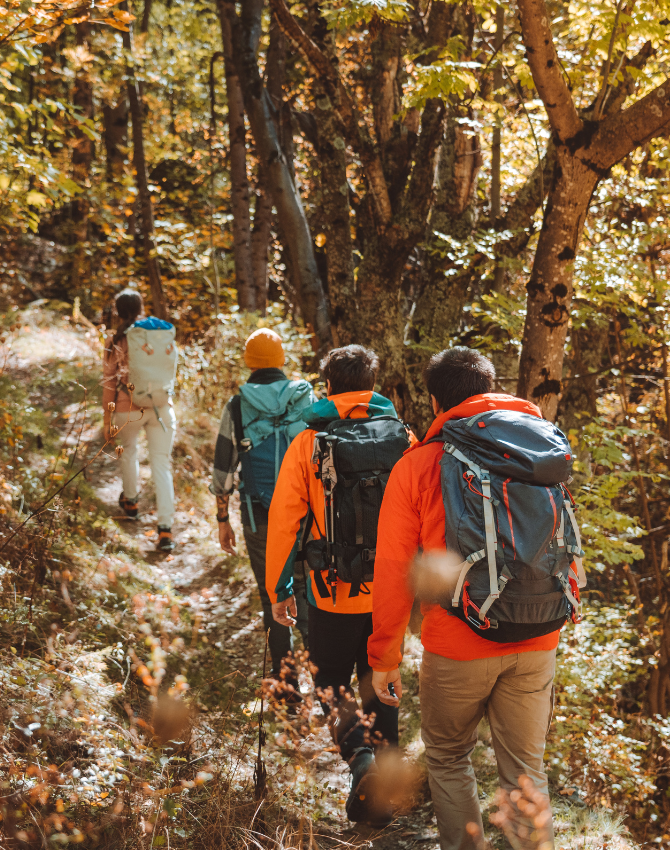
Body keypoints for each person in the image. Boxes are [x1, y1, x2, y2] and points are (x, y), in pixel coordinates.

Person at [367, 347, 567, 850]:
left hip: (457, 641)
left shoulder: (418, 465)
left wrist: (384, 655)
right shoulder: (538, 450)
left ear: (436, 401)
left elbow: (393, 569)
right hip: (539, 633)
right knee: (525, 770)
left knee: (449, 758)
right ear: (489, 386)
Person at [266, 344, 406, 824]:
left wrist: (278, 590)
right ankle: (382, 796)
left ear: (328, 386)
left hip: (329, 593)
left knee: (329, 681)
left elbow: (284, 523)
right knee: (381, 682)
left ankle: (359, 757)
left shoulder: (309, 442)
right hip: (390, 593)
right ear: (372, 383)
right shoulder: (402, 439)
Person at [209, 328, 313, 694]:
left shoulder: (237, 406)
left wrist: (223, 520)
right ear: (282, 359)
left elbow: (223, 470)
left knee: (272, 594)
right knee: (306, 591)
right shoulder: (306, 397)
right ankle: (329, 687)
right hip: (307, 513)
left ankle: (287, 692)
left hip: (259, 515)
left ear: (249, 362)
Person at [101, 289, 178, 552]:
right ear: (141, 308)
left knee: (129, 452)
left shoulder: (117, 340)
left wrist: (106, 417)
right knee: (162, 466)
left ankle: (131, 503)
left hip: (127, 407)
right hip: (160, 407)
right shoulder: (155, 336)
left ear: (117, 312)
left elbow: (109, 381)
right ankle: (166, 529)